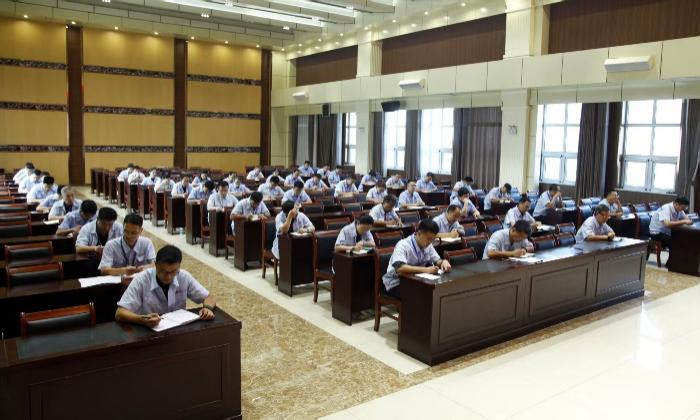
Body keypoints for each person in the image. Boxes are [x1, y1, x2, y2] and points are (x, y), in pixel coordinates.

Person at [115, 245, 216, 327]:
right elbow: (120, 313)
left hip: (178, 330)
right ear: (155, 264)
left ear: (179, 267)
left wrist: (207, 308)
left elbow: (208, 297)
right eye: (163, 271)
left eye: (173, 272)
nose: (168, 277)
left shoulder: (183, 276)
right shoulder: (142, 279)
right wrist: (142, 320)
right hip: (149, 331)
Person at [382, 219, 452, 298]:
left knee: (438, 289)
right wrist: (426, 270)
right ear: (419, 233)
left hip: (416, 280)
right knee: (424, 293)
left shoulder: (428, 245)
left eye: (432, 240)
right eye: (428, 239)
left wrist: (443, 262)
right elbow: (400, 268)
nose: (430, 242)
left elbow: (437, 261)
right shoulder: (403, 245)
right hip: (396, 282)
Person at [99, 213, 156, 278]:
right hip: (118, 282)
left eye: (133, 233)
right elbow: (103, 270)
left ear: (141, 231)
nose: (129, 236)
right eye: (126, 231)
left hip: (140, 280)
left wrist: (143, 268)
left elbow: (154, 264)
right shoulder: (111, 245)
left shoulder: (147, 243)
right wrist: (124, 270)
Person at [649, 196, 691, 266]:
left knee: (684, 239)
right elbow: (667, 224)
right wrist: (683, 221)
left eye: (685, 208)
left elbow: (687, 219)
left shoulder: (679, 209)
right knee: (676, 242)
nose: (683, 209)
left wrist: (688, 221)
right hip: (657, 233)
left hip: (667, 232)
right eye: (683, 207)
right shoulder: (666, 208)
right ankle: (671, 264)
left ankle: (678, 263)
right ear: (676, 204)